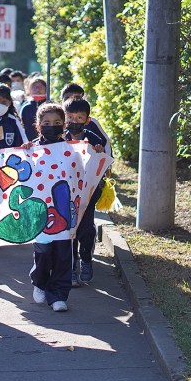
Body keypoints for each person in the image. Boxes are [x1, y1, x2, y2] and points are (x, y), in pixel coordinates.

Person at [28, 103, 73, 312]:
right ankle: (39, 281)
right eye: (46, 123)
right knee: (43, 252)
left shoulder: (72, 150)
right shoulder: (31, 149)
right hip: (40, 212)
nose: (51, 126)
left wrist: (96, 153)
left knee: (63, 254)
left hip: (63, 210)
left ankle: (58, 295)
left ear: (64, 125)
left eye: (56, 122)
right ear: (38, 126)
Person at [63, 97, 107, 286]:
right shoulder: (60, 139)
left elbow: (103, 160)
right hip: (66, 192)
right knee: (69, 230)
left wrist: (99, 152)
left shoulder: (94, 139)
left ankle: (86, 258)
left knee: (86, 229)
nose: (74, 121)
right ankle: (71, 268)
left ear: (87, 120)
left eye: (79, 118)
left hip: (88, 193)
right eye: (71, 117)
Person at [60, 82, 113, 157]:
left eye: (76, 98)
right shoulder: (56, 123)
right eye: (67, 98)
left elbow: (105, 144)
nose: (71, 102)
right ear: (61, 101)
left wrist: (106, 160)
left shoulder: (92, 124)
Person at [20, 76, 47, 142]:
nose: (37, 89)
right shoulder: (26, 107)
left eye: (40, 86)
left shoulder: (50, 105)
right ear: (29, 89)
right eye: (34, 86)